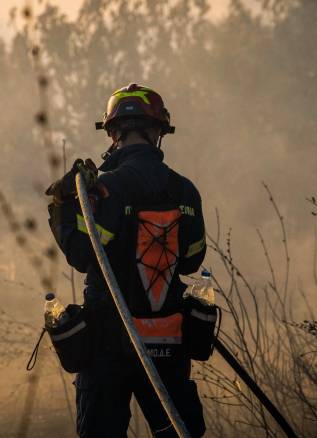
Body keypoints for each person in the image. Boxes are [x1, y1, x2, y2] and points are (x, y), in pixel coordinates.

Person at [46, 83, 207, 437]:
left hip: (107, 345)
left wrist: (63, 208)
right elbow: (193, 260)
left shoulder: (106, 190)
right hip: (167, 343)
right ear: (157, 132)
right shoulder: (186, 191)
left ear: (114, 132)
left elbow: (82, 254)